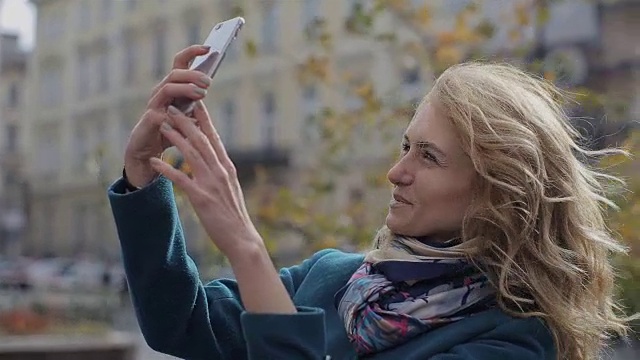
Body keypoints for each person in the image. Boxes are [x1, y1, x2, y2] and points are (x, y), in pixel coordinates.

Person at [108, 45, 631, 360]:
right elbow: (179, 320)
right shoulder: (335, 278)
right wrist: (142, 176)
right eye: (406, 145)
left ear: (498, 191)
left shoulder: (513, 339)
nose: (396, 172)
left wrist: (247, 249)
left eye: (428, 156)